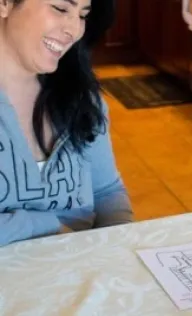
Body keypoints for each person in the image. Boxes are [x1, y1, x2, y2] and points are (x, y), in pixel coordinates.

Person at [0, 0, 132, 247]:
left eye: (82, 15)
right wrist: (44, 225)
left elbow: (106, 192)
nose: (74, 30)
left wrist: (117, 250)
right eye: (60, 9)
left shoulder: (81, 97)